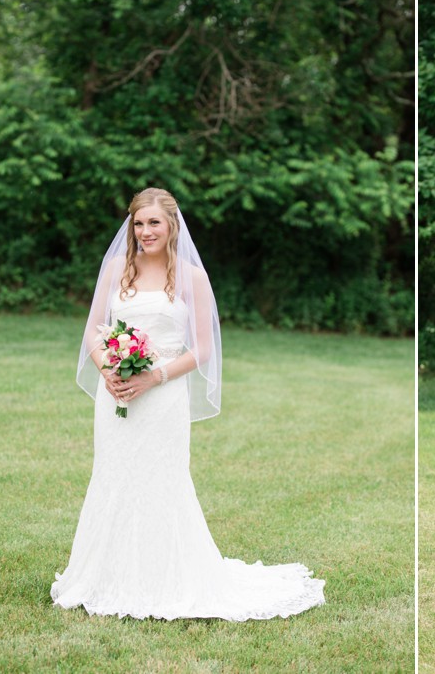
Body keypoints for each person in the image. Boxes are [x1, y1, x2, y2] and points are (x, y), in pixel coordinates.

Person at [52, 187, 325, 620]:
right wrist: (109, 370)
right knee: (113, 476)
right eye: (138, 223)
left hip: (162, 399)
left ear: (172, 225)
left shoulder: (191, 278)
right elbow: (93, 331)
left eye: (154, 223)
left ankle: (165, 580)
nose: (145, 232)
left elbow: (202, 351)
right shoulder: (115, 270)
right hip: (116, 396)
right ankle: (104, 576)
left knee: (161, 481)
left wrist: (152, 376)